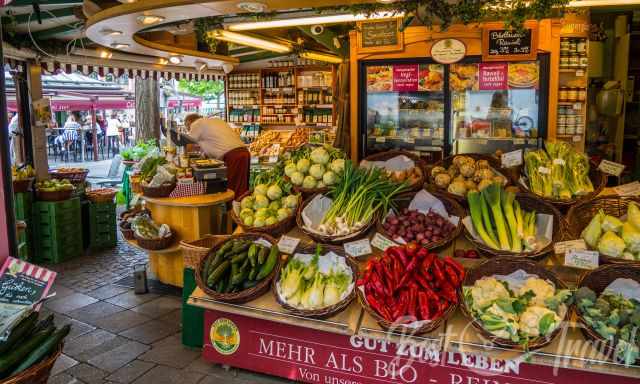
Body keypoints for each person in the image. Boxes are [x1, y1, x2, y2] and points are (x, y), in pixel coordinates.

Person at [183, 113, 250, 197]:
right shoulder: (214, 121)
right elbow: (212, 144)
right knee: (241, 187)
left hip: (233, 156)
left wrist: (183, 161)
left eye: (186, 126)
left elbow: (188, 144)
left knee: (231, 188)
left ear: (189, 123)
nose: (187, 130)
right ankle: (239, 207)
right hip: (244, 153)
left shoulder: (196, 124)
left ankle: (232, 208)